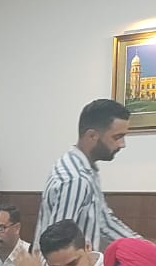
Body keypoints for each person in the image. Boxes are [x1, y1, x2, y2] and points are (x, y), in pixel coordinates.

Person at [37, 98, 139, 251]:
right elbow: (57, 247)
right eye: (117, 137)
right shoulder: (75, 179)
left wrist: (148, 249)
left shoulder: (86, 170)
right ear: (92, 136)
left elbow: (106, 223)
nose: (122, 144)